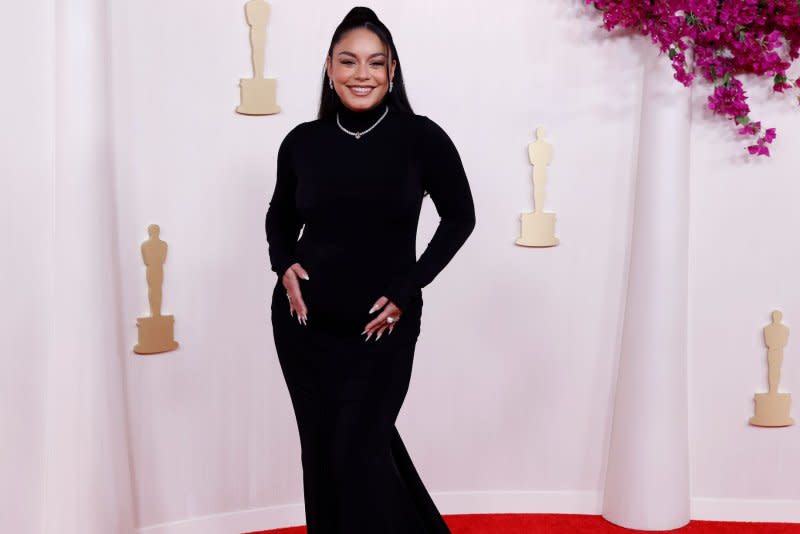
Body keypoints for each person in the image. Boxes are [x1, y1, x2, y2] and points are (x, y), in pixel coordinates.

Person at [265, 7, 476, 533]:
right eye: (349, 61)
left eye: (375, 63)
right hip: (304, 327)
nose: (362, 74)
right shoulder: (301, 143)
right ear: (330, 70)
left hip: (383, 326)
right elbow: (279, 217)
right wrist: (282, 262)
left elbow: (460, 218)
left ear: (392, 71)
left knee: (358, 449)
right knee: (322, 454)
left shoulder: (421, 138)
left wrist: (408, 286)